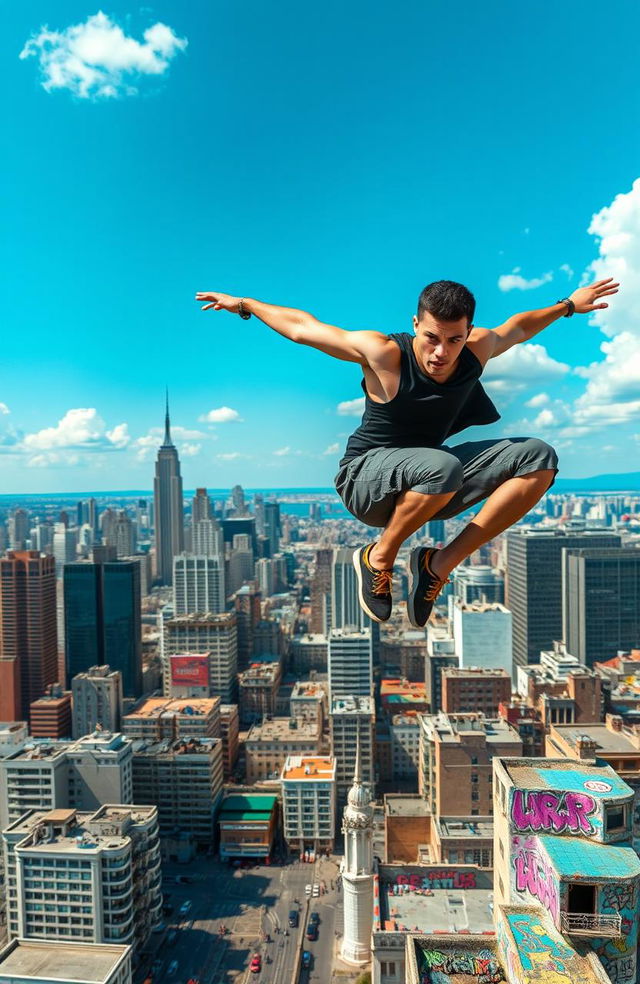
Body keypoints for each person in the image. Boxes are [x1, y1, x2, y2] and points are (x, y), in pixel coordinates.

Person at [195, 278, 618, 625]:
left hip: (431, 482)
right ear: (415, 323)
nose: (441, 352)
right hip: (366, 480)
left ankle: (437, 564)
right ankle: (379, 557)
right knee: (442, 464)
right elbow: (303, 328)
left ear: (468, 333)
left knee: (539, 457)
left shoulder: (477, 349)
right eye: (431, 337)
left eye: (454, 340)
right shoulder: (384, 353)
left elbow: (519, 327)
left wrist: (568, 306)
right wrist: (245, 303)